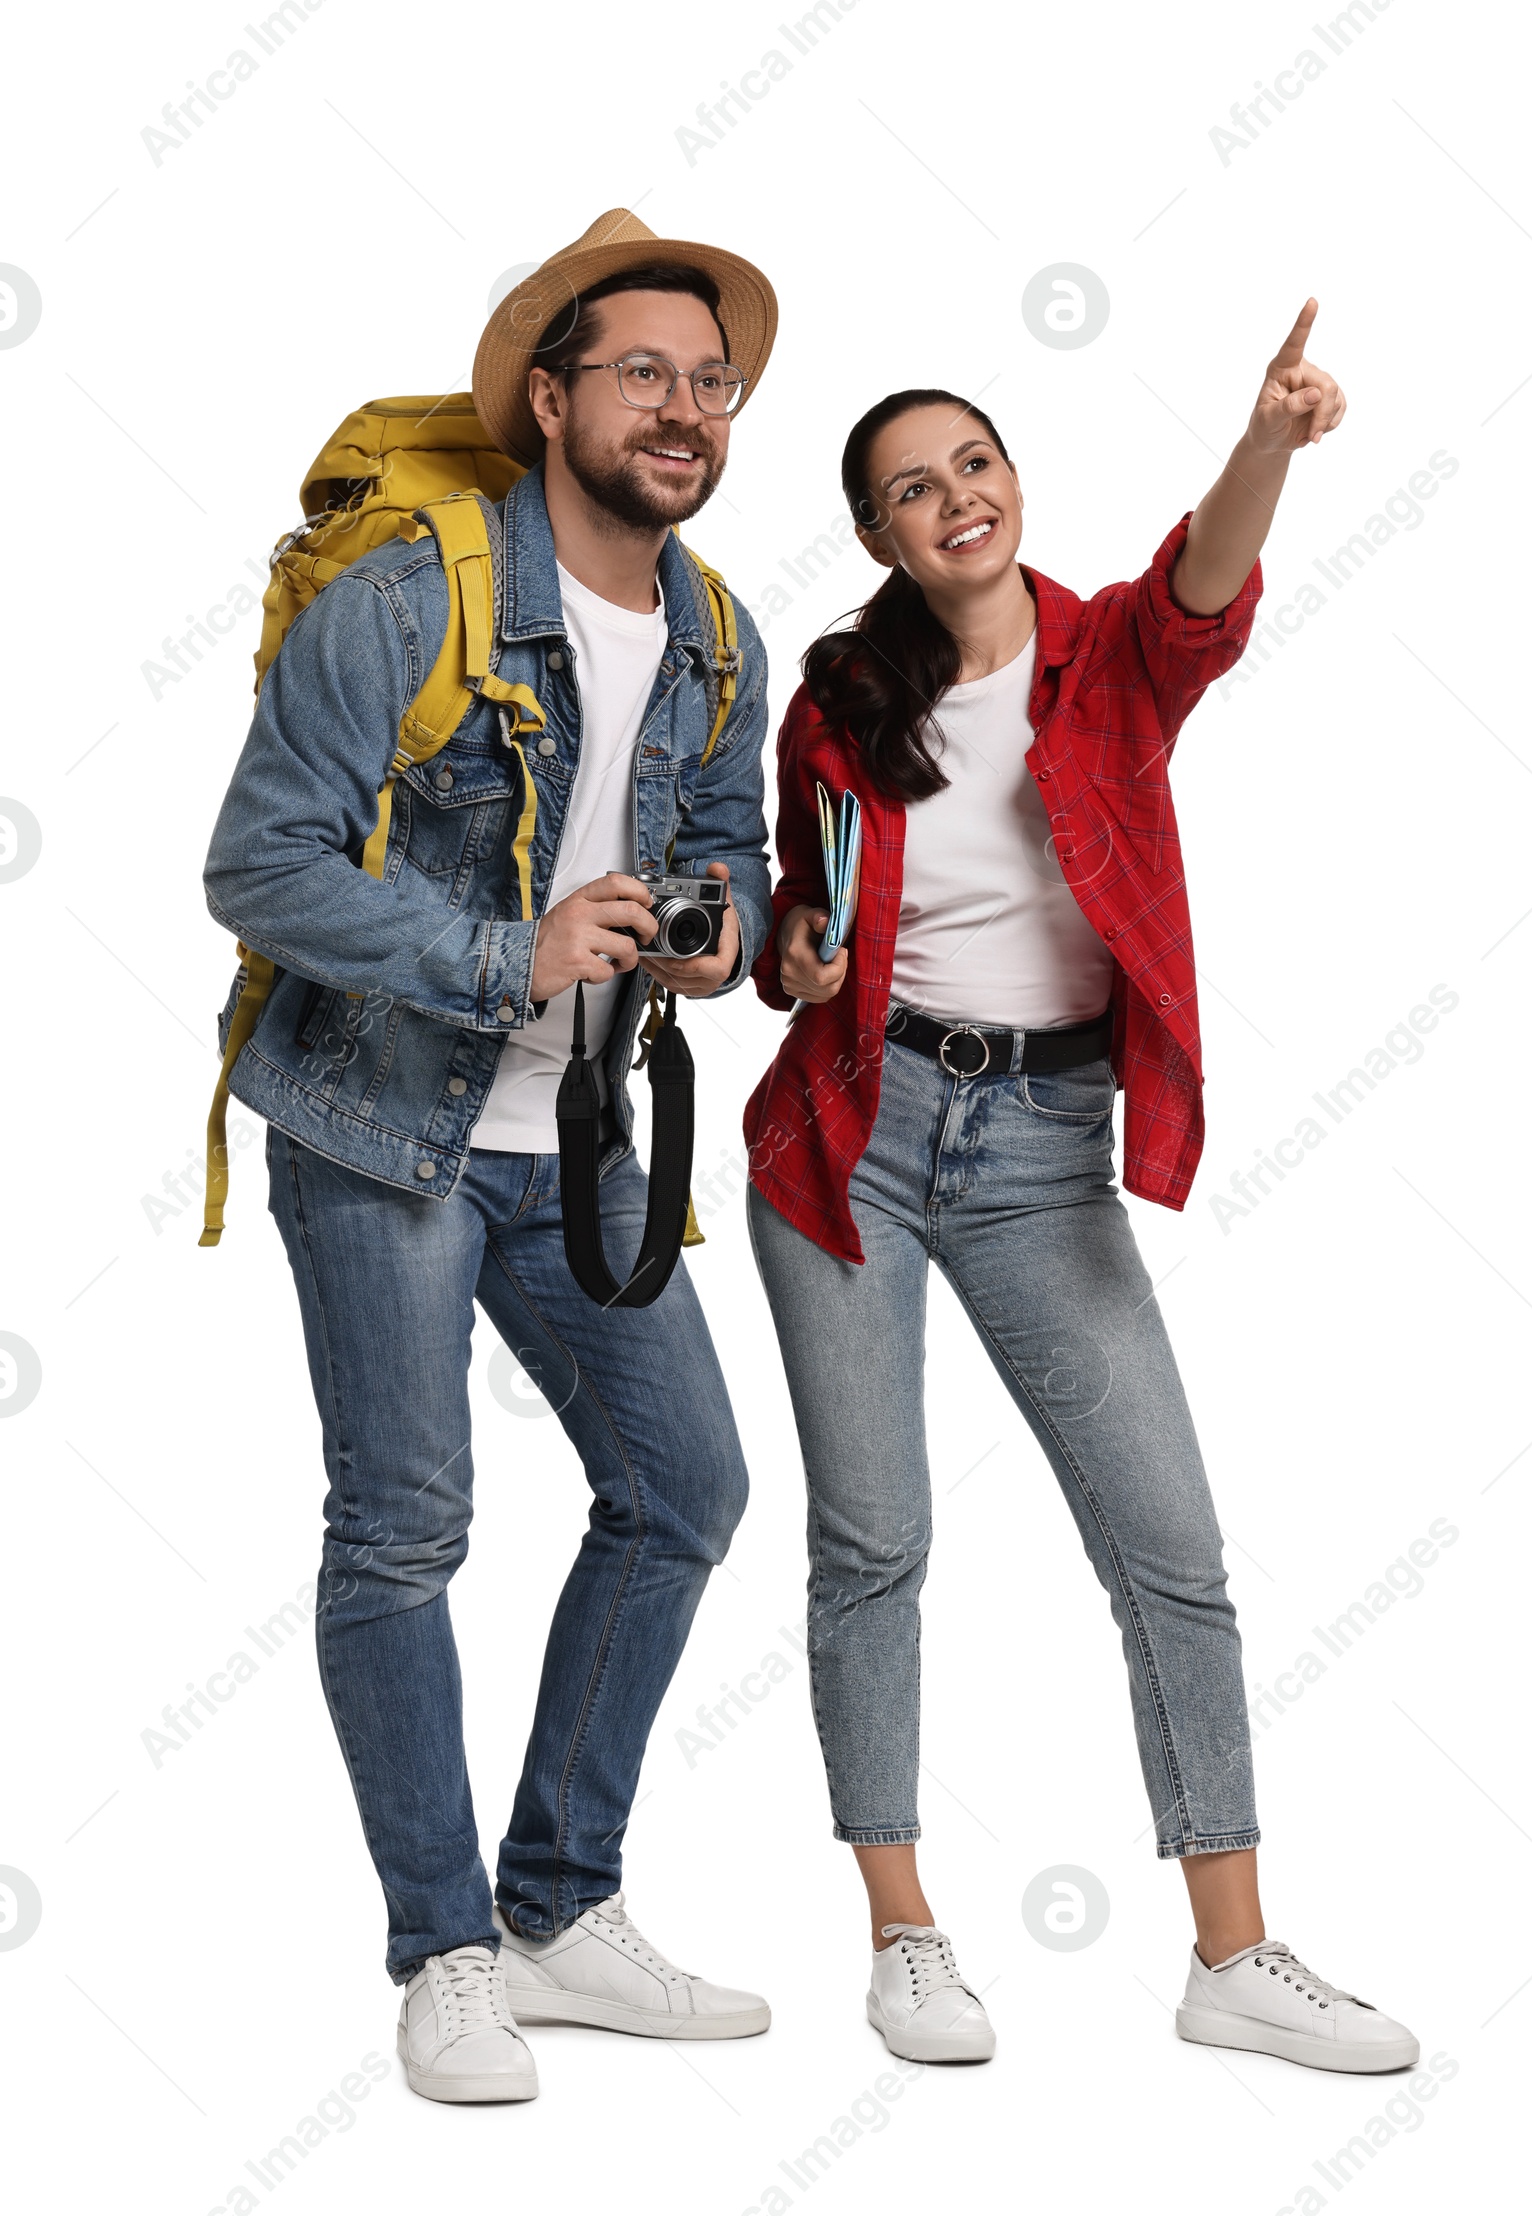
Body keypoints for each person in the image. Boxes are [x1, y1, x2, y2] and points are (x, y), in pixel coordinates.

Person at [744, 306, 1420, 2073]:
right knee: (875, 1541)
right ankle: (903, 1932)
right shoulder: (840, 698)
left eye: (973, 464)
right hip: (852, 1138)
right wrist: (798, 951)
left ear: (1011, 482)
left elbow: (1206, 582)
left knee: (1172, 1555)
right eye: (911, 488)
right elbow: (791, 907)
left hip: (1040, 1154)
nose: (954, 499)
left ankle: (1232, 1956)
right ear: (880, 534)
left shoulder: (1110, 652)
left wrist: (1267, 437)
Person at [204, 210, 777, 2105]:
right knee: (405, 1528)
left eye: (708, 382)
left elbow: (732, 851)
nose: (682, 410)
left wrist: (728, 931)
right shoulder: (410, 590)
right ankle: (445, 1949)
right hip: (382, 1120)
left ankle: (558, 1907)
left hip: (583, 1133)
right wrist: (502, 955)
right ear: (550, 399)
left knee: (687, 1487)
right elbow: (260, 866)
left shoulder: (717, 631)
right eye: (642, 374)